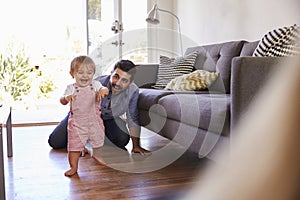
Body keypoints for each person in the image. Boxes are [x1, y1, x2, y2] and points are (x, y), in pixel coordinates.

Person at [48, 59, 150, 159]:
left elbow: (133, 118)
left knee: (122, 139)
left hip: (109, 119)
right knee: (55, 141)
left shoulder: (133, 91)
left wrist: (136, 146)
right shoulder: (95, 83)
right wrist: (80, 144)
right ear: (111, 73)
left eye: (124, 80)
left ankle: (96, 137)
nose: (118, 83)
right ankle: (88, 136)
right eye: (116, 77)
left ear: (130, 82)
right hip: (81, 116)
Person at [61, 55, 109, 177]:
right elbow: (62, 100)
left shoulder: (96, 85)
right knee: (74, 147)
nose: (85, 76)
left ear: (93, 74)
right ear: (72, 74)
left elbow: (104, 89)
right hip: (77, 123)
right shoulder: (71, 88)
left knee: (98, 141)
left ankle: (97, 155)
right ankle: (73, 167)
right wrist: (66, 98)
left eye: (89, 72)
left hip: (94, 121)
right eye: (80, 72)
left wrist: (104, 91)